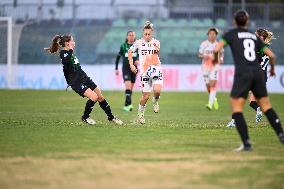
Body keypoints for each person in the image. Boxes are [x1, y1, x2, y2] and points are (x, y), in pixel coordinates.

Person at [213, 10, 284, 151]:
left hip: (243, 73)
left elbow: (216, 50)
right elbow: (272, 56)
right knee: (267, 106)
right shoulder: (253, 36)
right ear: (247, 21)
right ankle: (281, 135)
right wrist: (273, 70)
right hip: (258, 74)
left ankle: (246, 144)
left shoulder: (231, 34)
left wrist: (216, 60)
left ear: (235, 21)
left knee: (237, 107)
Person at [45, 35, 123, 125]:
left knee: (100, 96)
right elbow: (65, 63)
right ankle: (85, 117)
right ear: (67, 43)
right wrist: (69, 81)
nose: (74, 42)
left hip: (84, 78)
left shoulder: (70, 52)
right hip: (76, 82)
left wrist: (68, 80)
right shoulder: (64, 53)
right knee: (94, 97)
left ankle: (111, 117)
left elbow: (67, 69)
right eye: (72, 41)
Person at [227, 28, 275, 127]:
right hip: (262, 77)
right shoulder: (265, 47)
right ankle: (259, 110)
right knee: (252, 101)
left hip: (252, 75)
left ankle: (234, 121)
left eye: (256, 35)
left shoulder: (257, 48)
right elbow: (272, 57)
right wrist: (273, 69)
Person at [128, 21, 163, 124]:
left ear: (152, 33)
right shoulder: (138, 43)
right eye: (145, 34)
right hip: (145, 73)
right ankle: (140, 114)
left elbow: (156, 55)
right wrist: (131, 64)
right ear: (143, 34)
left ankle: (155, 101)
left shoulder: (157, 42)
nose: (147, 36)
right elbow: (130, 52)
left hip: (156, 70)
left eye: (149, 34)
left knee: (157, 91)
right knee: (145, 96)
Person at [198, 27, 224, 110]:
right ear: (208, 35)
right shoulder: (204, 44)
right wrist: (204, 56)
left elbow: (221, 56)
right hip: (205, 66)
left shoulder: (218, 44)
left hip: (215, 66)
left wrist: (220, 60)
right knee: (208, 86)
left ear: (216, 35)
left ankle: (210, 104)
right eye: (210, 34)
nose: (212, 35)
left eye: (214, 34)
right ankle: (214, 99)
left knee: (213, 84)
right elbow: (199, 54)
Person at [115, 31, 139, 112]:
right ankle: (130, 105)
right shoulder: (123, 46)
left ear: (134, 37)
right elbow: (118, 57)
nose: (131, 37)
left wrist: (138, 61)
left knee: (130, 89)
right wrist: (116, 68)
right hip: (126, 69)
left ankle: (126, 105)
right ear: (127, 37)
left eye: (133, 35)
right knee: (128, 87)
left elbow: (141, 57)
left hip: (134, 69)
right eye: (130, 35)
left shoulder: (137, 46)